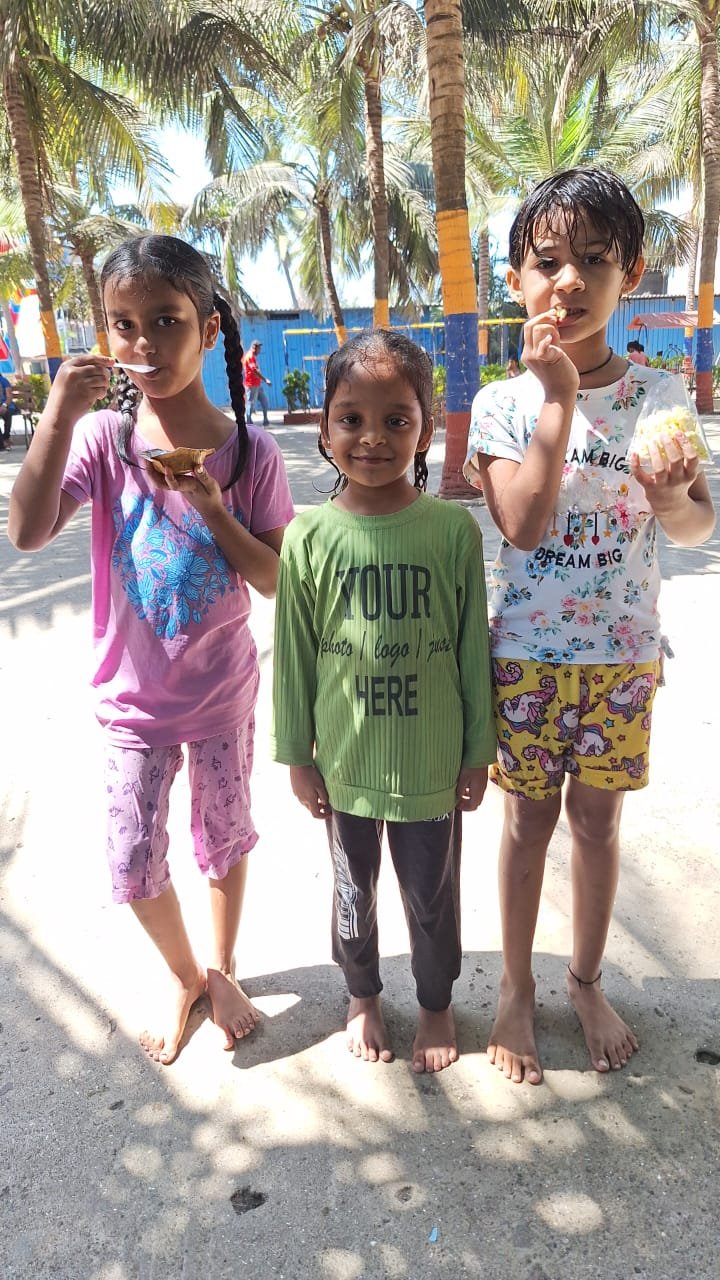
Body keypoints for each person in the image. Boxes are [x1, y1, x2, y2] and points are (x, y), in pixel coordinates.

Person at [8, 235, 294, 1066]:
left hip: (221, 694)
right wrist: (58, 414)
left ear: (209, 330)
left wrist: (213, 508)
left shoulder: (251, 452)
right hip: (132, 701)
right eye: (123, 323)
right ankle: (184, 974)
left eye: (165, 320)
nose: (143, 342)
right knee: (132, 857)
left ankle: (222, 968)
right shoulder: (102, 440)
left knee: (224, 838)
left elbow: (275, 578)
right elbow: (27, 531)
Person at [464, 167, 715, 1085]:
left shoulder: (660, 395)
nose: (568, 281)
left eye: (595, 262)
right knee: (528, 822)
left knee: (599, 826)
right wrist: (557, 397)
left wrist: (671, 499)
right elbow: (523, 526)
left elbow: (695, 524)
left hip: (622, 659)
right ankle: (516, 989)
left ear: (630, 276)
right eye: (547, 263)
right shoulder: (502, 403)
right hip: (527, 657)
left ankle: (585, 979)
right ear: (515, 281)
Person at [271, 330, 496, 1073]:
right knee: (352, 892)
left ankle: (435, 1003)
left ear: (424, 430)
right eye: (351, 418)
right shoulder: (308, 537)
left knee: (432, 897)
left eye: (396, 419)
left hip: (430, 766)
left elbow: (470, 649)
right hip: (345, 768)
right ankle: (362, 993)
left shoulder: (451, 532)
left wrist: (477, 752)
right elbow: (295, 657)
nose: (372, 437)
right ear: (325, 427)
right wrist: (297, 756)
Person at [243, 339, 271, 426]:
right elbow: (254, 370)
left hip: (257, 384)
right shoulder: (250, 356)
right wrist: (265, 380)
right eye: (259, 348)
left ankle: (265, 420)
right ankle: (248, 422)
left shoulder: (253, 356)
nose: (260, 350)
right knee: (250, 403)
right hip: (251, 385)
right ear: (254, 348)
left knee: (264, 401)